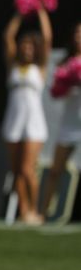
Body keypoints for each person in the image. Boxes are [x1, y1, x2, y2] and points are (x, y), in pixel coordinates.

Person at [2, 7, 51, 225]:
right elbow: (7, 37)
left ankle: (35, 209)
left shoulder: (39, 68)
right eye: (24, 45)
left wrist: (40, 10)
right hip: (13, 120)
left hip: (33, 123)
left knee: (27, 169)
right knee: (16, 171)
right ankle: (24, 212)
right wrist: (20, 13)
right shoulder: (12, 66)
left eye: (31, 46)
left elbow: (47, 38)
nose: (26, 49)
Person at [41, 22, 81, 219]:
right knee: (55, 170)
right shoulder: (66, 62)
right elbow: (56, 93)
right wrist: (69, 81)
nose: (78, 36)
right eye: (76, 32)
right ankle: (43, 212)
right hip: (69, 124)